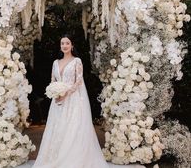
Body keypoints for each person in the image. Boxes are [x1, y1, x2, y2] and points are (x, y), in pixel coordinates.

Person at [32, 34, 145, 168]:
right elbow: (53, 80)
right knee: (57, 128)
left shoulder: (77, 61)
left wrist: (65, 93)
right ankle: (54, 157)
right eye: (62, 43)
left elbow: (78, 81)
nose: (64, 46)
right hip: (57, 101)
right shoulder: (55, 63)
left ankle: (71, 160)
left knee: (72, 128)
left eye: (67, 43)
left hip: (72, 99)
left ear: (72, 45)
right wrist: (54, 92)